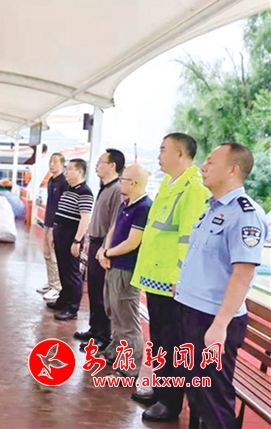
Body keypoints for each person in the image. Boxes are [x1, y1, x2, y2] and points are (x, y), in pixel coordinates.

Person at [175, 143, 268, 429]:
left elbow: (242, 274)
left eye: (211, 162)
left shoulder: (245, 214)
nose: (203, 167)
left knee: (213, 398)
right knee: (196, 391)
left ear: (232, 170)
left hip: (213, 318)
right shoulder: (211, 209)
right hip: (191, 311)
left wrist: (220, 326)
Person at [130, 133, 211, 422]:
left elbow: (189, 239)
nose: (159, 155)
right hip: (157, 277)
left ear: (180, 154)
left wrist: (181, 277)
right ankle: (161, 388)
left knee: (173, 341)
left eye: (164, 149)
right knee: (160, 339)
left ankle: (171, 401)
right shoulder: (169, 184)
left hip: (175, 282)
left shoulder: (194, 188)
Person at [97, 164, 152, 378]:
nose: (120, 182)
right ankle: (115, 351)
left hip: (126, 268)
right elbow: (114, 228)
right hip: (113, 264)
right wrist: (104, 251)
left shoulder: (144, 207)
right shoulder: (126, 202)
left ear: (134, 183)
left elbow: (132, 242)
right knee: (113, 311)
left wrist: (108, 253)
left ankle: (129, 367)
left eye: (124, 180)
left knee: (127, 319)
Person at [75, 149, 124, 351]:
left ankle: (103, 336)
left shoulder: (117, 190)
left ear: (112, 165)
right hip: (95, 243)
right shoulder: (104, 187)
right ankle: (94, 329)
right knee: (94, 290)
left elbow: (115, 223)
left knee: (103, 293)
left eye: (101, 162)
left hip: (104, 246)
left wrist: (105, 249)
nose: (97, 165)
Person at [46, 159, 93, 321]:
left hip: (71, 237)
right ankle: (63, 300)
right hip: (60, 234)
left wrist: (77, 241)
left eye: (70, 169)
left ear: (79, 172)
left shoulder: (85, 192)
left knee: (72, 273)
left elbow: (85, 219)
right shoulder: (68, 190)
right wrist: (55, 236)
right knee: (63, 270)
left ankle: (72, 308)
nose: (67, 172)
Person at [36, 153, 68, 304]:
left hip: (57, 224)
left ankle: (57, 286)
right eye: (50, 162)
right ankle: (50, 282)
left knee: (55, 256)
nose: (52, 165)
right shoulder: (51, 180)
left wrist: (59, 224)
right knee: (47, 254)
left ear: (62, 164)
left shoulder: (63, 182)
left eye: (55, 162)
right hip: (48, 222)